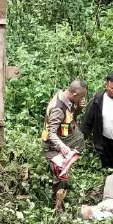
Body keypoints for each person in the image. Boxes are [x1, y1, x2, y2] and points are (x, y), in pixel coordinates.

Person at [41, 79, 88, 210]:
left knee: (79, 139)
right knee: (60, 173)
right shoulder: (58, 108)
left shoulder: (68, 98)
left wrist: (79, 108)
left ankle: (67, 171)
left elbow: (71, 116)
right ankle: (58, 206)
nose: (82, 99)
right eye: (81, 97)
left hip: (68, 135)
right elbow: (51, 133)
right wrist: (62, 147)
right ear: (74, 94)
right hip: (52, 144)